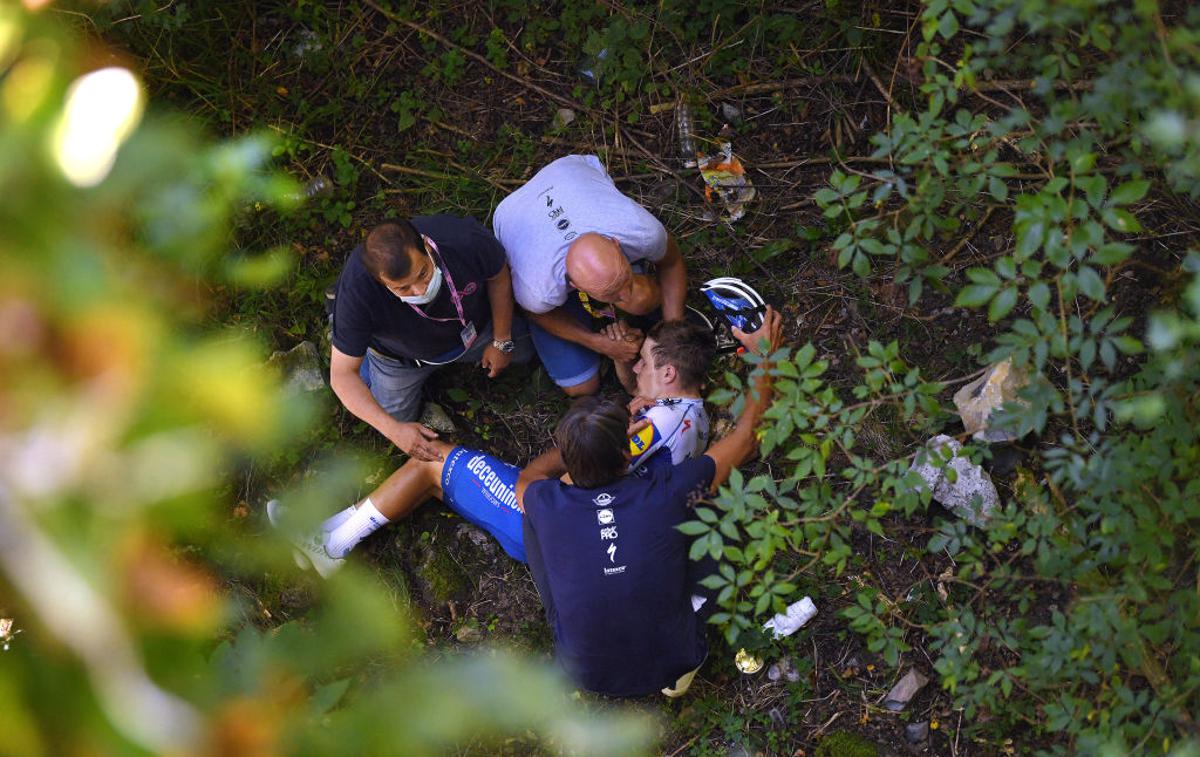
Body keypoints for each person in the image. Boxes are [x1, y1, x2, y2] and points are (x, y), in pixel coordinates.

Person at [270, 317, 723, 577]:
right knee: (442, 482)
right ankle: (329, 533)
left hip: (558, 529)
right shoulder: (691, 415)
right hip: (595, 538)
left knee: (434, 461)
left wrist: (533, 480)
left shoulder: (651, 424)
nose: (636, 362)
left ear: (668, 374)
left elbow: (580, 472)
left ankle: (330, 548)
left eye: (644, 359)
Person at [513, 307, 783, 698]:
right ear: (629, 452)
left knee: (530, 521)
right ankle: (683, 662)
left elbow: (526, 479)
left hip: (584, 672)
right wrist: (764, 357)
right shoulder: (668, 490)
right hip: (676, 656)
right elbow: (745, 437)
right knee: (715, 509)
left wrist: (578, 448)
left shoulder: (548, 502)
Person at [329, 217, 533, 461]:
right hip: (401, 361)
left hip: (474, 331)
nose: (420, 290)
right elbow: (341, 376)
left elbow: (498, 276)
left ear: (426, 245)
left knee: (525, 348)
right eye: (403, 288)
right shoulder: (358, 291)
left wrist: (501, 339)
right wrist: (394, 431)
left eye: (423, 273)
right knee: (392, 418)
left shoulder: (462, 238)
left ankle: (348, 337)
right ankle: (348, 338)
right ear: (381, 282)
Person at [492, 155, 688, 398]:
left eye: (623, 279)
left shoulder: (640, 230)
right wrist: (598, 343)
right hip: (512, 212)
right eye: (611, 293)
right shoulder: (539, 290)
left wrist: (673, 336)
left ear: (616, 244)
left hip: (568, 169)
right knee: (581, 387)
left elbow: (671, 262)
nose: (624, 295)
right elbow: (536, 313)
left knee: (641, 299)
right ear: (573, 285)